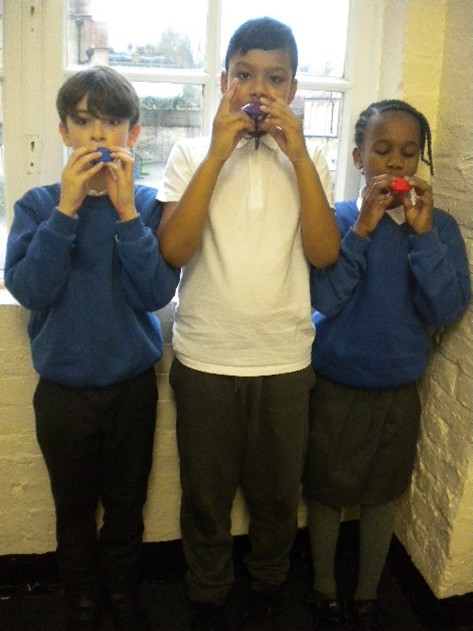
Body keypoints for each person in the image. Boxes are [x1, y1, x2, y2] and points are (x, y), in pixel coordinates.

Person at [157, 16, 340, 631]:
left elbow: (324, 254)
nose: (259, 90)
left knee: (278, 498)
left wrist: (299, 157)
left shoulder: (311, 156)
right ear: (223, 82)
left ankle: (269, 584)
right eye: (244, 75)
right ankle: (207, 590)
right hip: (206, 356)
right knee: (205, 497)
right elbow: (174, 250)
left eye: (275, 78)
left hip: (285, 359)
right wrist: (217, 153)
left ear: (293, 89)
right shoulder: (190, 152)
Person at [4, 66, 180, 631]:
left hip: (131, 387)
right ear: (64, 132)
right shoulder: (37, 206)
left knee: (126, 504)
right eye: (83, 122)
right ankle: (81, 593)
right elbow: (32, 290)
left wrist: (126, 215)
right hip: (63, 391)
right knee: (73, 505)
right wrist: (67, 209)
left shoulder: (148, 204)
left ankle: (122, 589)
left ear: (134, 133)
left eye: (112, 122)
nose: (98, 135)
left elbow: (155, 292)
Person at [304, 99, 471, 631]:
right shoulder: (336, 220)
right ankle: (324, 588)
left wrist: (422, 236)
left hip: (399, 388)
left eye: (408, 152)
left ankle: (368, 592)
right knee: (326, 491)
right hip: (335, 383)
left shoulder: (438, 228)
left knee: (383, 493)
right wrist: (362, 229)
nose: (396, 163)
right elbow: (326, 299)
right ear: (358, 157)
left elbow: (445, 309)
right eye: (381, 150)